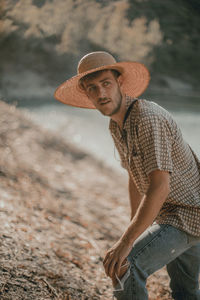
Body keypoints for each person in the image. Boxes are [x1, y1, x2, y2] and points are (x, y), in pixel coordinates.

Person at [54, 51, 200, 300]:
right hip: (174, 212)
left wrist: (127, 241)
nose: (101, 93)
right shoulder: (117, 124)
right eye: (92, 88)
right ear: (87, 94)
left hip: (186, 214)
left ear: (120, 82)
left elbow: (159, 186)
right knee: (185, 292)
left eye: (106, 84)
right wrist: (135, 228)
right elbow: (134, 177)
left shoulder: (147, 118)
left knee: (124, 268)